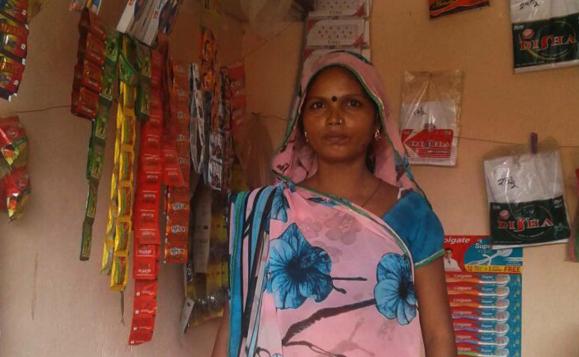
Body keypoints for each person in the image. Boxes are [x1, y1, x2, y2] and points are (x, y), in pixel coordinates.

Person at [212, 51, 455, 357]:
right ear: (301, 125)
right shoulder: (266, 212)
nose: (334, 117)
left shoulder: (412, 215)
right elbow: (235, 324)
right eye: (318, 105)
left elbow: (438, 335)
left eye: (351, 103)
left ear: (377, 120)